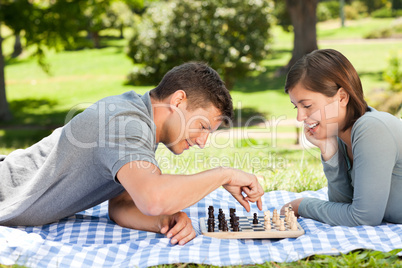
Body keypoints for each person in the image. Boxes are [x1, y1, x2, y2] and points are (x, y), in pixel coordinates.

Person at [0, 62, 264, 245]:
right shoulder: (126, 122)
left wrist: (163, 221)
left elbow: (121, 205)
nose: (204, 141)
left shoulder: (139, 124)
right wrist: (223, 174)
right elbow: (153, 198)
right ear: (178, 101)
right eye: (203, 126)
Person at [281, 48, 402, 226]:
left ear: (342, 97)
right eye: (295, 107)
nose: (300, 117)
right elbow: (343, 208)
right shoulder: (341, 136)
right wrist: (329, 152)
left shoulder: (371, 128)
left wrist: (302, 205)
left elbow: (364, 218)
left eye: (307, 105)